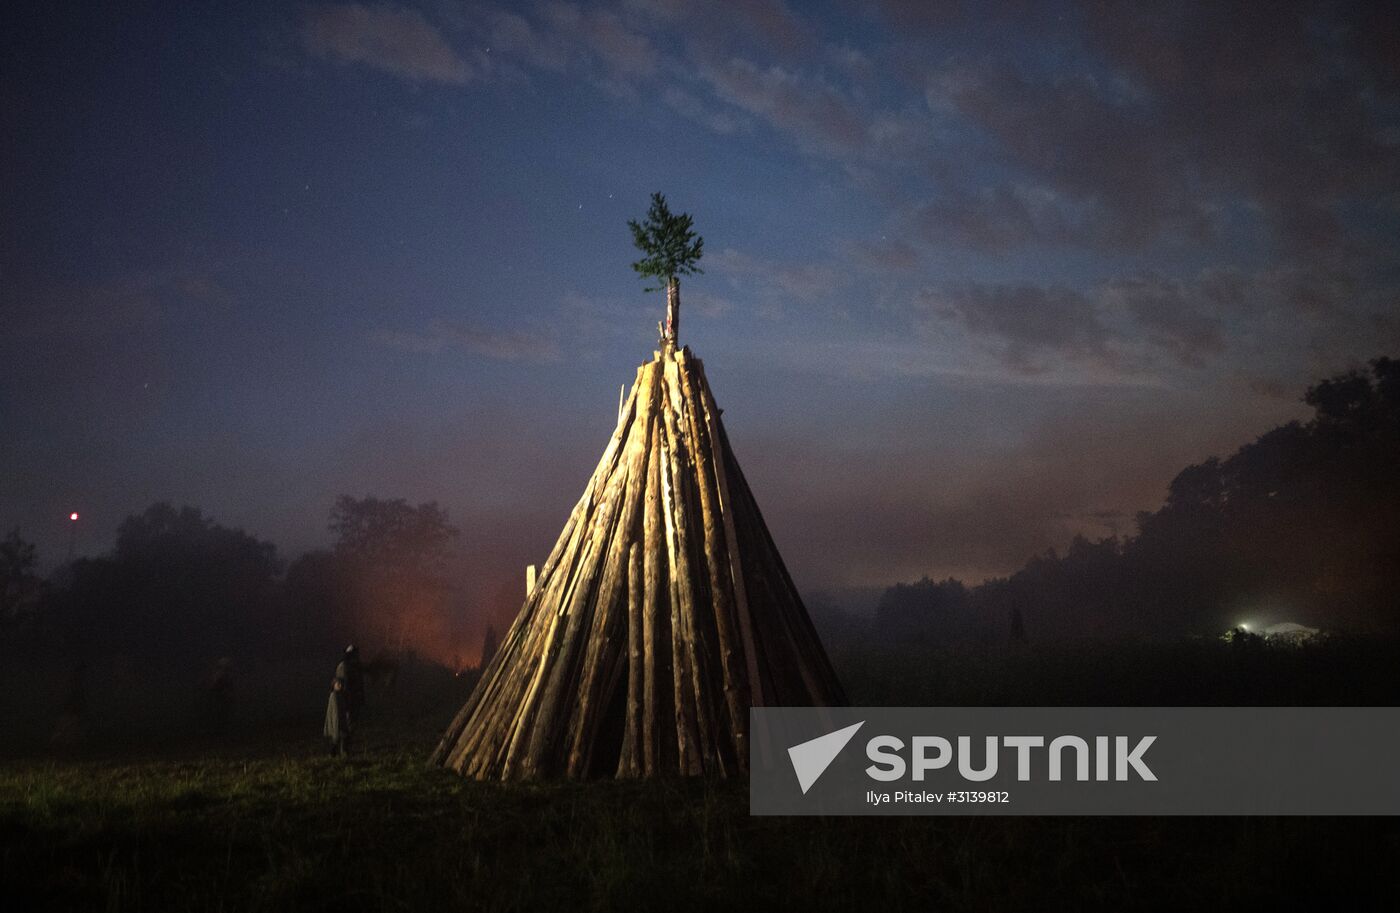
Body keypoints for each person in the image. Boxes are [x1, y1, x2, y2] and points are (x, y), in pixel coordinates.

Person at [334, 644, 366, 723]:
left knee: (353, 712)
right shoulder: (344, 666)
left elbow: (360, 680)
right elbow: (340, 681)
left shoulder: (355, 666)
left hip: (353, 693)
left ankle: (351, 723)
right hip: (348, 693)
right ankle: (349, 724)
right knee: (349, 712)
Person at [324, 677, 350, 757]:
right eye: (338, 684)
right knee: (335, 738)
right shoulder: (334, 695)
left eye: (341, 684)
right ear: (334, 685)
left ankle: (339, 753)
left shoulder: (340, 695)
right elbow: (335, 713)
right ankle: (332, 754)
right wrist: (336, 726)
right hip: (336, 721)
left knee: (341, 737)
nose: (340, 685)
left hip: (341, 720)